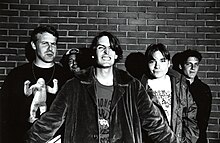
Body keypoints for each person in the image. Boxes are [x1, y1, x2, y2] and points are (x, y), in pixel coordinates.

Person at [26, 31, 179, 143]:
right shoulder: (74, 86)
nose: (106, 52)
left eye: (111, 48)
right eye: (101, 47)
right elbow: (51, 120)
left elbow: (155, 123)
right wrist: (30, 140)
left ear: (116, 54)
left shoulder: (132, 86)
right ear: (94, 53)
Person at [0, 25, 69, 143]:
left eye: (53, 44)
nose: (50, 48)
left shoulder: (66, 77)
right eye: (44, 43)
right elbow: (4, 114)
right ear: (33, 45)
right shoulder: (17, 75)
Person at [140, 43, 199, 143]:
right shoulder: (140, 88)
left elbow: (190, 115)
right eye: (152, 61)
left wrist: (186, 141)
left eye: (162, 61)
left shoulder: (179, 84)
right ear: (147, 64)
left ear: (168, 63)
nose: (157, 66)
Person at [173, 49, 212, 143]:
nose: (193, 68)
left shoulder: (204, 89)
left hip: (198, 138)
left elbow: (203, 120)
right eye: (189, 64)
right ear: (181, 66)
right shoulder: (174, 86)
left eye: (196, 64)